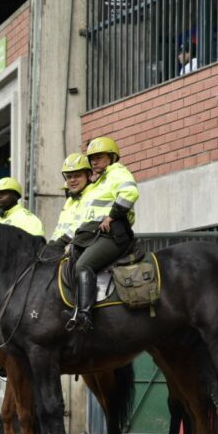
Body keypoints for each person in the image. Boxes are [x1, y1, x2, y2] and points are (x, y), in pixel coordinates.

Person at [62, 137, 140, 332]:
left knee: (84, 264)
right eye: (92, 158)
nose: (94, 161)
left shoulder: (118, 172)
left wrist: (112, 215)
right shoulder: (99, 182)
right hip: (96, 236)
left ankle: (85, 316)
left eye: (99, 157)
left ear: (112, 157)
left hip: (114, 234)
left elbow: (130, 193)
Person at [49, 153, 95, 248]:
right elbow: (59, 228)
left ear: (89, 175)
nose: (72, 180)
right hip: (64, 247)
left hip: (81, 247)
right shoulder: (69, 201)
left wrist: (61, 243)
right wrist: (51, 244)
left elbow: (81, 224)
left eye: (77, 175)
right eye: (69, 177)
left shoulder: (94, 195)